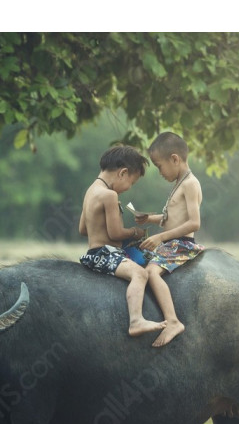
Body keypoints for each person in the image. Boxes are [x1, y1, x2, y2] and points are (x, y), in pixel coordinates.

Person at [79, 145, 167, 340]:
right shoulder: (109, 195)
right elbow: (115, 233)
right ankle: (136, 320)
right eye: (132, 182)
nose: (129, 188)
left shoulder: (91, 191)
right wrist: (135, 232)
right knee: (141, 274)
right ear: (123, 173)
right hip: (105, 253)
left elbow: (83, 229)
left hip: (94, 252)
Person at [134, 131, 205, 346]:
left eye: (159, 166)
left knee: (151, 272)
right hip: (172, 242)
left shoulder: (190, 184)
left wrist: (161, 237)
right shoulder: (179, 183)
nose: (160, 172)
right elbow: (172, 218)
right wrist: (150, 219)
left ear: (174, 159)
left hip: (181, 244)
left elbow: (194, 223)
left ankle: (173, 321)